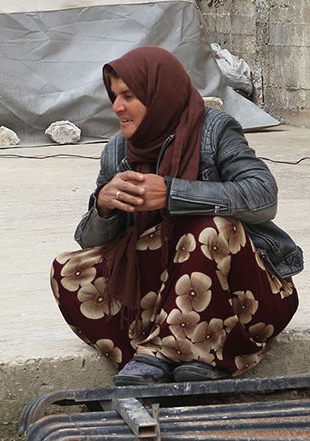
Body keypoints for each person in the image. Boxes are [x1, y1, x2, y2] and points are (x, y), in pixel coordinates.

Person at [49, 47, 302, 386]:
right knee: (69, 271)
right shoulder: (117, 152)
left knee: (211, 229)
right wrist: (104, 207)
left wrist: (172, 193)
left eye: (128, 96)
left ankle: (163, 353)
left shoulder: (213, 131)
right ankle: (184, 349)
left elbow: (262, 196)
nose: (117, 107)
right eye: (114, 96)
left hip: (245, 298)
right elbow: (93, 242)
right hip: (165, 298)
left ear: (159, 93)